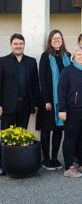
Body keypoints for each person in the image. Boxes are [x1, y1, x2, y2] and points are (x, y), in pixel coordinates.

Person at [0, 33, 40, 176]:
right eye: (16, 44)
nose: (18, 46)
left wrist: (35, 103)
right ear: (11, 45)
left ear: (24, 45)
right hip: (7, 105)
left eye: (21, 44)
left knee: (21, 133)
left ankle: (17, 163)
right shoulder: (3, 61)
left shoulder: (31, 61)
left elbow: (35, 84)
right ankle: (2, 164)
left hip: (25, 103)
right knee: (5, 136)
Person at [58, 45, 82, 178]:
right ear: (73, 57)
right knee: (70, 139)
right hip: (73, 111)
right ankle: (69, 166)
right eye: (79, 54)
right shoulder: (67, 71)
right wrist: (62, 109)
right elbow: (61, 91)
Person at [37, 29, 71, 171]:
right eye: (54, 38)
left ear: (62, 40)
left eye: (59, 38)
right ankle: (46, 159)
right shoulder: (45, 56)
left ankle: (55, 158)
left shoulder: (68, 56)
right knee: (46, 130)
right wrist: (46, 101)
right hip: (49, 100)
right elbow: (42, 80)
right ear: (50, 41)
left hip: (63, 101)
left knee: (58, 130)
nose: (57, 40)